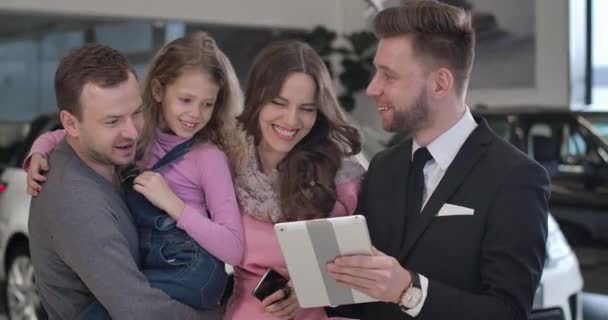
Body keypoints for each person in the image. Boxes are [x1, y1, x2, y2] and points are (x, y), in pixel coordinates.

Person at [325, 1, 551, 319]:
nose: (372, 88)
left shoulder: (515, 178)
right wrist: (309, 294)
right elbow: (362, 288)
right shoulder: (383, 167)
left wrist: (409, 291)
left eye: (388, 76)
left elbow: (508, 312)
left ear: (440, 83)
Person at [27, 33, 243, 319]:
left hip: (191, 271)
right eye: (113, 121)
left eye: (136, 113)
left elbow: (232, 244)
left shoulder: (121, 152)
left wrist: (174, 205)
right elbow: (139, 309)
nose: (131, 132)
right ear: (71, 123)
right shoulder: (76, 201)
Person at [223, 40, 365, 320]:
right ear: (257, 98)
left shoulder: (341, 178)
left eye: (307, 108)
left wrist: (312, 289)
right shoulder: (225, 168)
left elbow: (366, 267)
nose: (292, 120)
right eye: (279, 103)